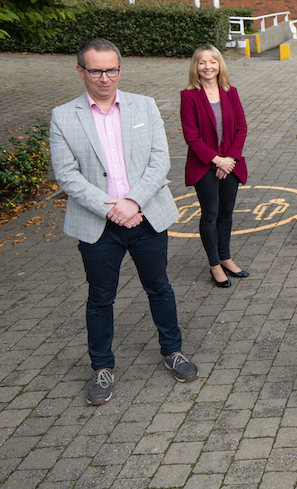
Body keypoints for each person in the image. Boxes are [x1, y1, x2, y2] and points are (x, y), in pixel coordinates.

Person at [49, 38, 198, 406]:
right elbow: (67, 176)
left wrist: (132, 202)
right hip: (98, 223)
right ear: (81, 71)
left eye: (111, 69)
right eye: (96, 70)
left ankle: (173, 351)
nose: (105, 78)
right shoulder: (63, 116)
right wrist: (112, 208)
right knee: (100, 298)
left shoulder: (144, 106)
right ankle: (102, 367)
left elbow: (159, 160)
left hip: (146, 216)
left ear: (120, 69)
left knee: (159, 287)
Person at [180, 44, 249, 288]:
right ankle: (214, 264)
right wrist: (216, 160)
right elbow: (191, 136)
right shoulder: (188, 96)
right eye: (202, 62)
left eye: (212, 62)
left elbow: (241, 128)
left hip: (230, 163)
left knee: (226, 214)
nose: (207, 67)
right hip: (204, 165)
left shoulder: (231, 92)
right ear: (195, 67)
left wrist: (229, 159)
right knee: (210, 215)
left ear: (219, 64)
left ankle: (226, 256)